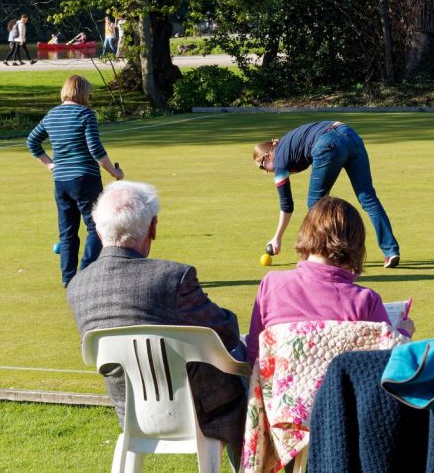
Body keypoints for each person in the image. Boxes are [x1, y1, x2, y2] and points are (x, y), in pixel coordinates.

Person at [67, 180, 247, 468]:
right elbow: (227, 334)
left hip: (131, 411)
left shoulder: (78, 286)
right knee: (246, 359)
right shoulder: (173, 278)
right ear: (153, 227)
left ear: (99, 231)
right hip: (203, 409)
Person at [246, 196, 414, 365]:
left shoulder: (271, 284)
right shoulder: (365, 301)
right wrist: (402, 335)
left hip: (277, 391)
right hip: (342, 391)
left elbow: (254, 353)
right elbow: (389, 365)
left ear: (306, 232)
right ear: (356, 244)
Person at [254, 121, 400, 268]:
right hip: (350, 135)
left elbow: (287, 205)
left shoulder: (279, 161)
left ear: (268, 156)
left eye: (262, 166)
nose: (266, 171)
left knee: (316, 206)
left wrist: (277, 237)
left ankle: (325, 255)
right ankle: (391, 251)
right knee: (368, 197)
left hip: (328, 142)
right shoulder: (286, 144)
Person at [26, 75, 124, 288]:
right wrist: (114, 173)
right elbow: (95, 149)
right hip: (85, 179)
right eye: (89, 94)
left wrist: (51, 165)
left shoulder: (51, 115)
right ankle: (86, 274)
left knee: (67, 231)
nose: (90, 98)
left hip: (61, 181)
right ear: (82, 93)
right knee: (97, 227)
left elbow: (32, 141)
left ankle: (68, 278)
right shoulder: (85, 114)